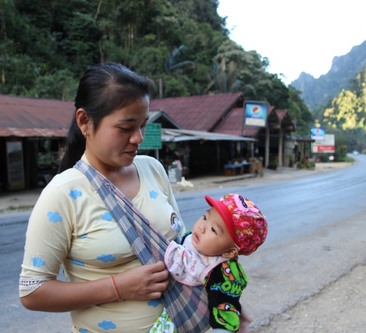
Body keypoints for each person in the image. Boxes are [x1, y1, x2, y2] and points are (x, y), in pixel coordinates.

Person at [19, 62, 187, 333]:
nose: (138, 138)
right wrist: (118, 287)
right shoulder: (62, 194)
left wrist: (222, 299)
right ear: (84, 121)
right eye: (126, 127)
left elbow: (182, 247)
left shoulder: (152, 170)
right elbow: (32, 292)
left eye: (143, 125)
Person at [164, 193, 268, 332]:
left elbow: (225, 314)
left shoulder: (221, 271)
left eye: (213, 229)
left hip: (185, 319)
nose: (202, 227)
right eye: (205, 217)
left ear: (229, 252)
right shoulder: (191, 237)